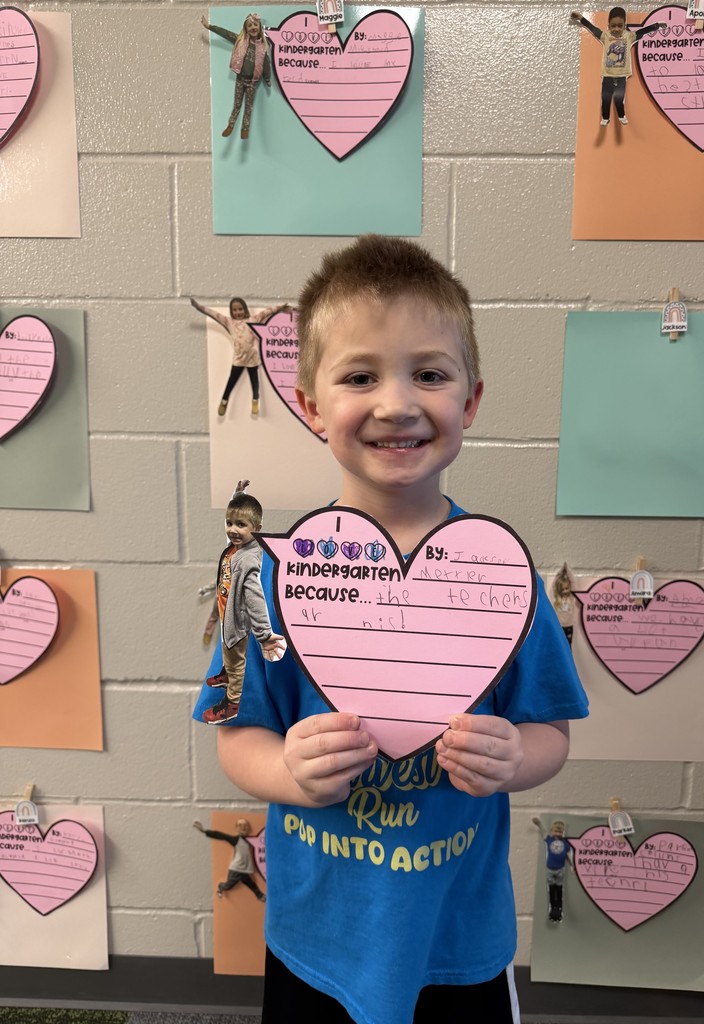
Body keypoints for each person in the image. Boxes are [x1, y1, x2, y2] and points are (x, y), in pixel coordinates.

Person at [193, 235, 589, 1024]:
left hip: (457, 936)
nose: (397, 402)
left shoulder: (499, 578)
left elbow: (550, 729)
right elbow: (236, 738)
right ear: (310, 404)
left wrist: (516, 757)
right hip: (318, 938)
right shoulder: (269, 577)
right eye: (360, 376)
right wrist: (289, 773)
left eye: (431, 374)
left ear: (471, 401)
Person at [203, 481, 286, 725]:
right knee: (228, 653)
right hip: (227, 613)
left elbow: (255, 598)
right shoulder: (235, 547)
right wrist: (237, 496)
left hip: (238, 622)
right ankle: (227, 671)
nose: (232, 530)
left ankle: (232, 701)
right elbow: (231, 523)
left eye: (241, 525)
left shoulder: (249, 558)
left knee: (236, 659)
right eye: (230, 523)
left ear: (257, 529)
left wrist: (263, 634)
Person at [190, 297, 289, 417]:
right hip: (239, 359)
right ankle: (224, 401)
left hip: (252, 358)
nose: (238, 312)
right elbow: (213, 314)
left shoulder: (253, 319)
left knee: (255, 382)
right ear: (231, 311)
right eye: (235, 310)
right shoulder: (229, 322)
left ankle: (255, 401)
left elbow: (267, 312)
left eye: (240, 309)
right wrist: (198, 307)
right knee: (231, 381)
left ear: (245, 309)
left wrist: (281, 307)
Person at [571, 8, 663, 126]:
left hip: (622, 75)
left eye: (620, 26)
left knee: (619, 98)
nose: (616, 29)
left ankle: (621, 115)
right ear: (608, 25)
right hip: (608, 74)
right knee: (605, 98)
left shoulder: (628, 36)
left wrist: (657, 26)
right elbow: (594, 29)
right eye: (613, 26)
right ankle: (605, 117)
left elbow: (642, 32)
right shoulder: (605, 36)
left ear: (624, 26)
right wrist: (581, 19)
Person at [201, 12, 271, 140]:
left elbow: (266, 64)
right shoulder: (240, 40)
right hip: (240, 79)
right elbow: (225, 33)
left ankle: (245, 128)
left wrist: (267, 79)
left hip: (253, 82)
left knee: (248, 107)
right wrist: (210, 26)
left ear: (260, 27)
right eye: (250, 25)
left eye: (255, 25)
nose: (253, 27)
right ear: (246, 29)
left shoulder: (263, 47)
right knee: (237, 104)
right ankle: (231, 124)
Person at [193, 818, 266, 901]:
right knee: (228, 885)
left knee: (251, 884)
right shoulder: (235, 840)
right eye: (241, 826)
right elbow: (221, 836)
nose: (244, 828)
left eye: (246, 826)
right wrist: (205, 831)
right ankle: (221, 886)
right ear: (237, 828)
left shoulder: (248, 840)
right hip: (236, 869)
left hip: (244, 869)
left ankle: (260, 896)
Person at [532, 817, 573, 922]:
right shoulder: (549, 839)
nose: (558, 833)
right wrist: (539, 823)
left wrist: (572, 865)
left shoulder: (565, 843)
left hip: (560, 869)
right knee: (551, 889)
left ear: (563, 832)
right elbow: (543, 832)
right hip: (550, 869)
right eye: (556, 830)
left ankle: (559, 908)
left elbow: (569, 854)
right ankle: (552, 908)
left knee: (559, 889)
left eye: (560, 831)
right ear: (552, 831)